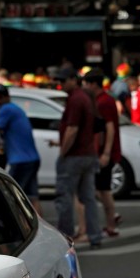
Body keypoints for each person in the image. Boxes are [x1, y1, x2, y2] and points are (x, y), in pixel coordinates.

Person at [52, 66, 102, 249]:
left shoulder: (76, 99)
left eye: (63, 81)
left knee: (65, 196)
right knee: (88, 197)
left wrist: (63, 152)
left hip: (75, 155)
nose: (61, 85)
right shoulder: (85, 97)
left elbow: (72, 129)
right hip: (88, 153)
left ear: (73, 79)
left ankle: (65, 237)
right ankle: (95, 235)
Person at [0, 84, 42, 215]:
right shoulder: (15, 109)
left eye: (0, 97)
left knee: (12, 197)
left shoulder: (7, 109)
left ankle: (22, 231)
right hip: (32, 159)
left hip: (21, 161)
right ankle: (43, 230)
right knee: (32, 196)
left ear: (7, 97)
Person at [82, 70, 121, 237]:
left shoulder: (104, 101)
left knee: (103, 189)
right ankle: (112, 217)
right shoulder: (99, 100)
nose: (84, 87)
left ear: (93, 84)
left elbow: (110, 128)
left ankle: (111, 225)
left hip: (104, 152)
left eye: (85, 83)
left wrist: (106, 153)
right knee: (99, 188)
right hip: (100, 151)